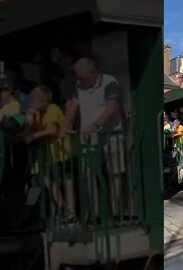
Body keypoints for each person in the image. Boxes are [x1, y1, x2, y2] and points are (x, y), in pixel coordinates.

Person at [64, 57, 126, 219]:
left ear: (91, 72)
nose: (78, 79)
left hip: (111, 135)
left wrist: (96, 125)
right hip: (88, 138)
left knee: (115, 174)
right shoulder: (79, 86)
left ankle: (116, 213)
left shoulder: (109, 82)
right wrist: (65, 127)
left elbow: (112, 107)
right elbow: (73, 106)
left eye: (81, 76)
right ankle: (97, 214)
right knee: (89, 175)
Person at [27, 86, 74, 222]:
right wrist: (34, 118)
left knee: (57, 180)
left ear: (43, 102)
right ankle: (60, 209)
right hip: (47, 155)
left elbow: (53, 130)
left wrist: (35, 135)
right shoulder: (40, 113)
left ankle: (66, 210)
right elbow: (36, 128)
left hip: (60, 153)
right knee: (46, 180)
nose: (31, 104)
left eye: (34, 101)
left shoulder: (53, 109)